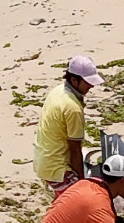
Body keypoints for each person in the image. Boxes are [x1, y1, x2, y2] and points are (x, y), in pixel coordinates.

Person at [34, 56, 99, 186]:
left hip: (42, 161)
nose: (91, 85)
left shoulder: (57, 91)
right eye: (87, 82)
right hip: (58, 169)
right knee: (80, 199)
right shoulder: (72, 108)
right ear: (74, 80)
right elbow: (75, 148)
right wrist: (81, 182)